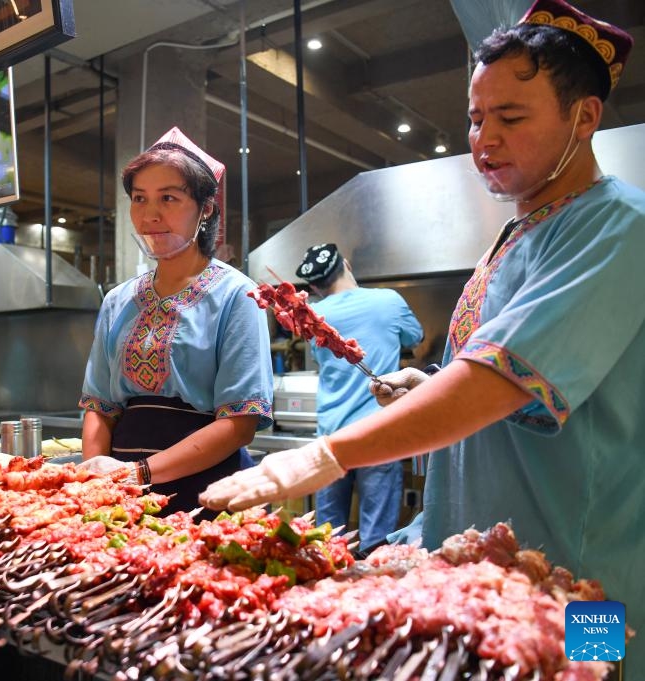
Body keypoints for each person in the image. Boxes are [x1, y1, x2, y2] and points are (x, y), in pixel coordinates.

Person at [201, 0, 644, 673]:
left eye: (511, 118)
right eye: (475, 118)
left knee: (595, 672)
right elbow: (510, 390)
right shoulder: (512, 237)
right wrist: (433, 384)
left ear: (584, 117)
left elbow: (501, 378)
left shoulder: (619, 227)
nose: (483, 140)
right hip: (485, 574)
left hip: (587, 577)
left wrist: (327, 455)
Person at [78, 127, 273, 516]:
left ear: (206, 209)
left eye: (169, 198)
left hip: (207, 493)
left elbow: (240, 422)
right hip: (123, 496)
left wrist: (140, 473)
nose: (150, 215)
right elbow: (100, 405)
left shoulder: (238, 295)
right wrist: (94, 483)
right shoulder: (118, 300)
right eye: (139, 199)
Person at [295, 243, 423, 553]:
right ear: (347, 265)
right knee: (376, 542)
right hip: (379, 432)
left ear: (313, 287)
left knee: (328, 539)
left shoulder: (315, 316)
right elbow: (414, 337)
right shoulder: (389, 301)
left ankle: (325, 594)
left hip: (332, 437)